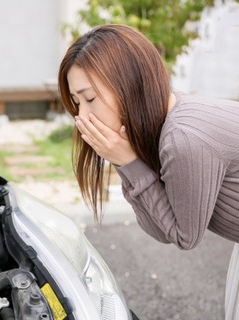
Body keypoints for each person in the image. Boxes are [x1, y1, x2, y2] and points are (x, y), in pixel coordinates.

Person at [57, 24, 239, 319]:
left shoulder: (182, 138)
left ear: (129, 85)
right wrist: (127, 162)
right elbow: (161, 228)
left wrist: (128, 163)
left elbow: (183, 236)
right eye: (77, 104)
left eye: (89, 98)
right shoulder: (167, 118)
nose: (82, 118)